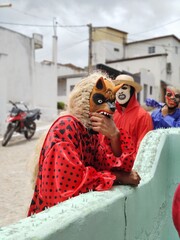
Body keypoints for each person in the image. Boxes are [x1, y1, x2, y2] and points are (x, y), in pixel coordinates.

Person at [27, 72, 141, 216]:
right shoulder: (66, 127)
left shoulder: (90, 133)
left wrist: (115, 136)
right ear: (86, 100)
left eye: (112, 102)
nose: (111, 109)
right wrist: (118, 177)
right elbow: (70, 185)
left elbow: (114, 166)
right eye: (102, 101)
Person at [109, 74, 153, 169]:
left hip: (131, 170)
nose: (120, 92)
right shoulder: (112, 114)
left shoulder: (143, 116)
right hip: (112, 168)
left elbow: (143, 151)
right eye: (117, 88)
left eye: (124, 88)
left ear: (132, 91)